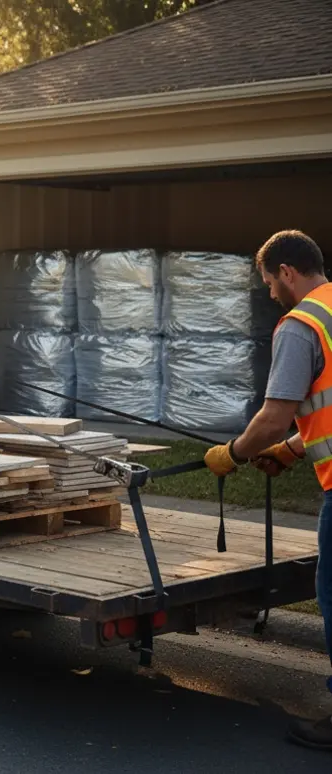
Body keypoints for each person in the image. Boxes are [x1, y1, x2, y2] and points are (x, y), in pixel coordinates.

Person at [204, 230, 331, 751]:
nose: (270, 294)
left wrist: (233, 453)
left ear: (286, 272)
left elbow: (274, 417)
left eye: (269, 283)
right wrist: (297, 449)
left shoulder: (300, 326)